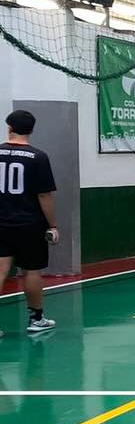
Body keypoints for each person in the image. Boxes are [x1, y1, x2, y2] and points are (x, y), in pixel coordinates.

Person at [0, 109, 59, 336]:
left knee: (1, 269)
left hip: (1, 222)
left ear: (9, 127)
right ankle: (36, 319)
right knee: (32, 270)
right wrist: (52, 225)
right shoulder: (39, 157)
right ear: (32, 130)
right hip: (29, 224)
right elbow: (44, 195)